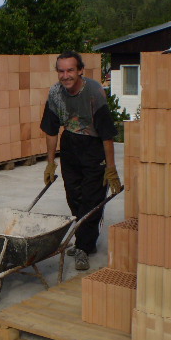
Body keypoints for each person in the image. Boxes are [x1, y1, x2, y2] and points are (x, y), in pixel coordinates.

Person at [40, 51, 122, 271]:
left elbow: (106, 134)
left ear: (80, 71)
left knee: (91, 200)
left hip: (93, 148)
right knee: (74, 197)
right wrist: (50, 163)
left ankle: (83, 247)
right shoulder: (56, 93)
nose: (66, 75)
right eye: (61, 71)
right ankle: (86, 242)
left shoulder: (94, 92)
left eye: (70, 70)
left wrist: (111, 168)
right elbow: (50, 130)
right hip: (70, 145)